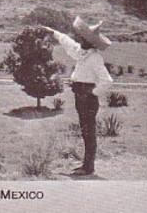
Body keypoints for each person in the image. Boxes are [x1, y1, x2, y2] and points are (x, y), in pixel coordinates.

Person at [43, 16, 113, 176]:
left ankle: (88, 167)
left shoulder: (94, 58)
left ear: (89, 41)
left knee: (89, 131)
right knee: (85, 130)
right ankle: (86, 165)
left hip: (87, 99)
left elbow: (107, 81)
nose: (79, 38)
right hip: (81, 96)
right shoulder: (83, 53)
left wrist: (91, 92)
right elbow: (68, 43)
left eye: (82, 37)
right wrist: (52, 32)